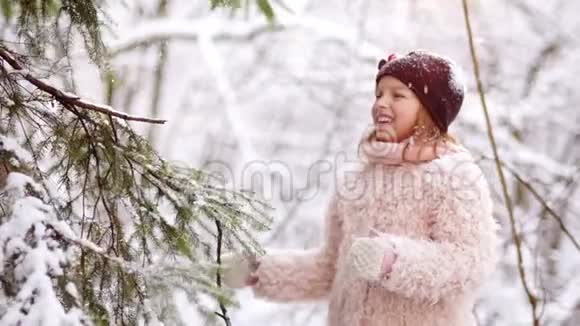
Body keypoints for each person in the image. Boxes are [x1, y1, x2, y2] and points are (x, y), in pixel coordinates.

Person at [222, 50, 499, 326]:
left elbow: (469, 262)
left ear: (429, 111)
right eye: (379, 94)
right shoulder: (355, 180)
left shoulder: (455, 176)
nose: (381, 103)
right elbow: (330, 267)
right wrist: (259, 271)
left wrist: (393, 262)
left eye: (397, 95)